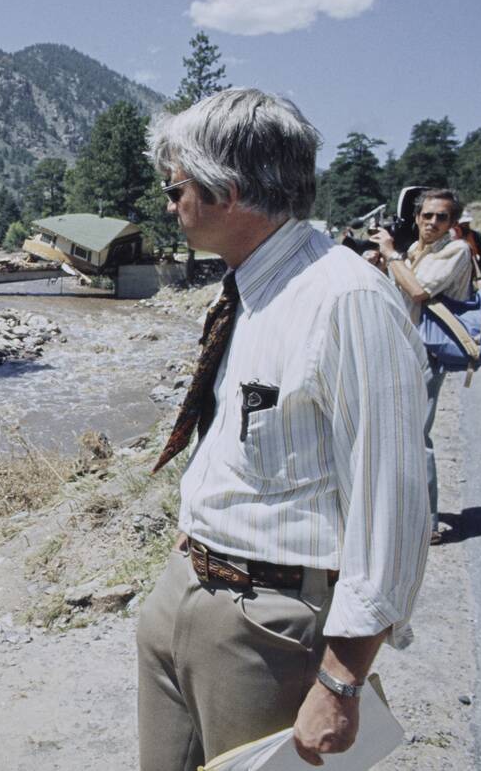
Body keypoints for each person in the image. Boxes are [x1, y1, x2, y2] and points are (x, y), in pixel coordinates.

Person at [136, 88, 430, 769]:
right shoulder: (246, 286)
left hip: (267, 629)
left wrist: (341, 679)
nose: (168, 202)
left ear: (227, 190)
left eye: (175, 186)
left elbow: (392, 508)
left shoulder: (347, 300)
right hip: (188, 588)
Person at [372, 190, 472, 545]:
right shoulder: (415, 250)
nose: (432, 223)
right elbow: (393, 291)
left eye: (441, 217)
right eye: (427, 216)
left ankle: (428, 523)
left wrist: (391, 254)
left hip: (427, 352)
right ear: (416, 218)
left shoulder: (455, 251)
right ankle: (403, 508)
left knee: (416, 435)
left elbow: (417, 291)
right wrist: (381, 263)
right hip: (402, 346)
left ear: (452, 222)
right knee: (396, 431)